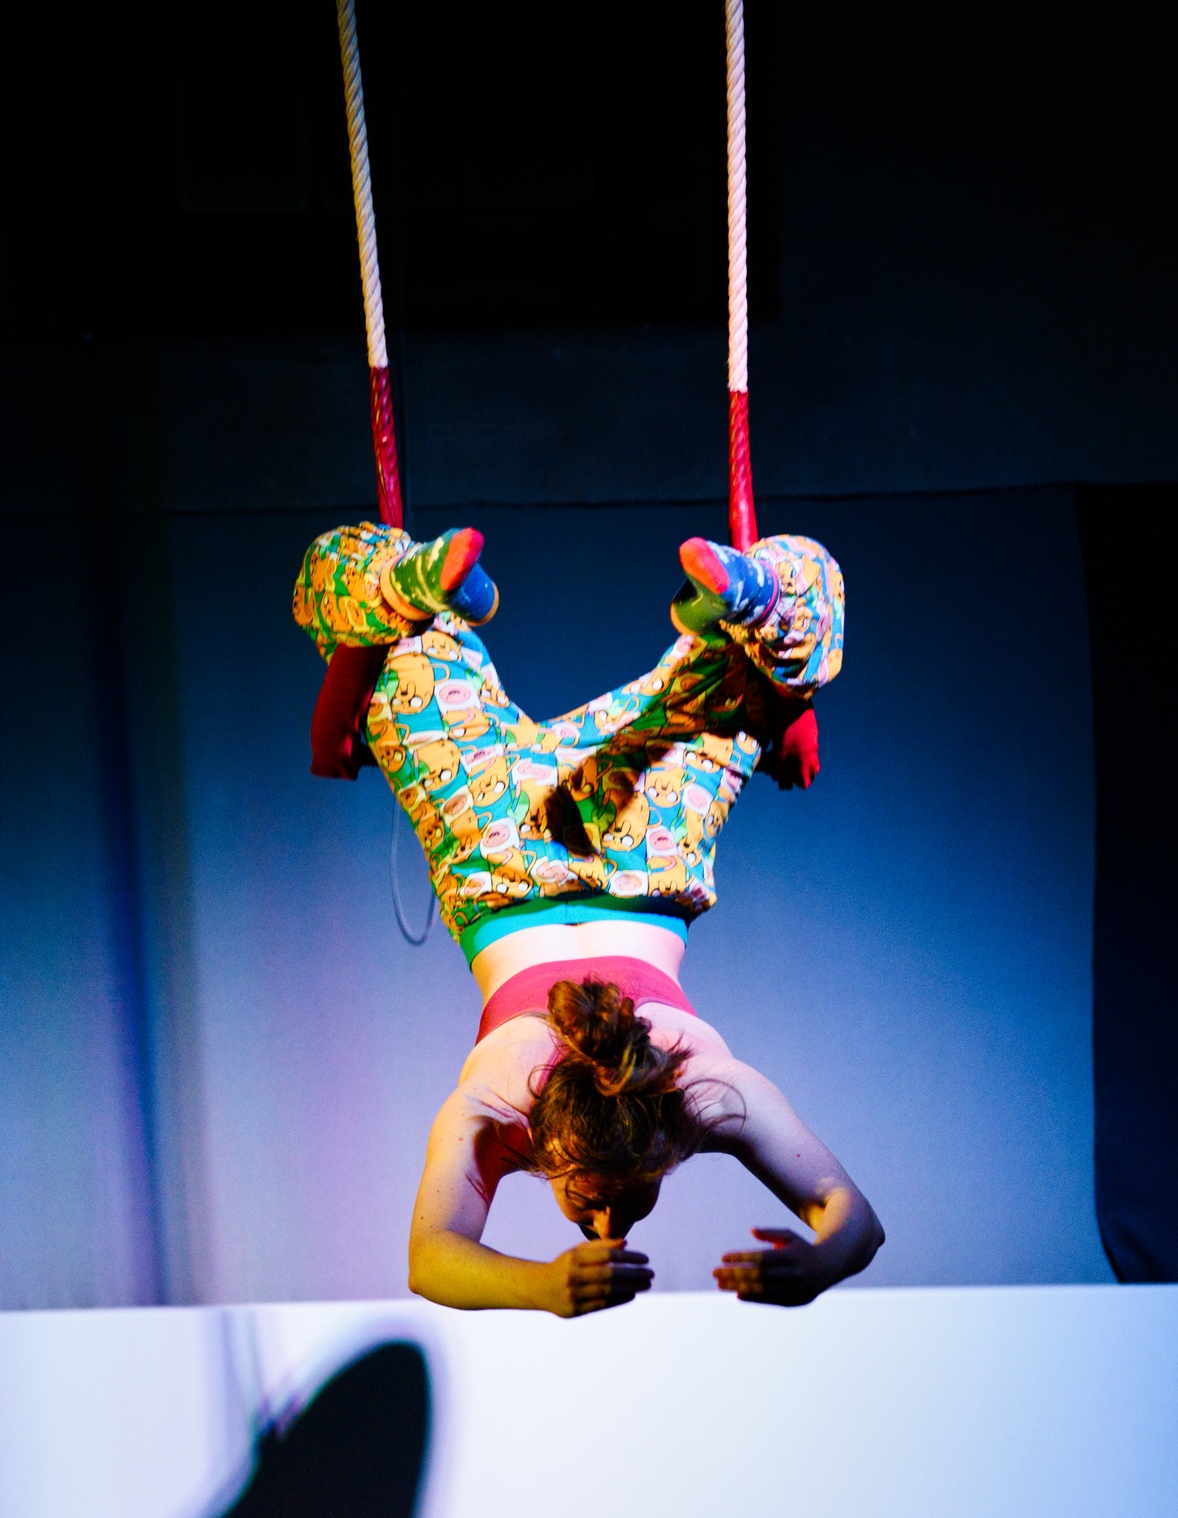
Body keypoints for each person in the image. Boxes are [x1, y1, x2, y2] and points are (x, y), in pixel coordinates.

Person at [293, 520, 884, 1316]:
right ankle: (739, 603)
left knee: (793, 608)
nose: (608, 1227)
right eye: (623, 1200)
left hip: (563, 845)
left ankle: (431, 589)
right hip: (558, 848)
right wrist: (814, 1267)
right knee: (343, 576)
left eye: (596, 1203)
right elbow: (430, 1257)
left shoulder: (660, 1094)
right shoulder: (684, 1095)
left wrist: (544, 1287)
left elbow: (433, 1260)